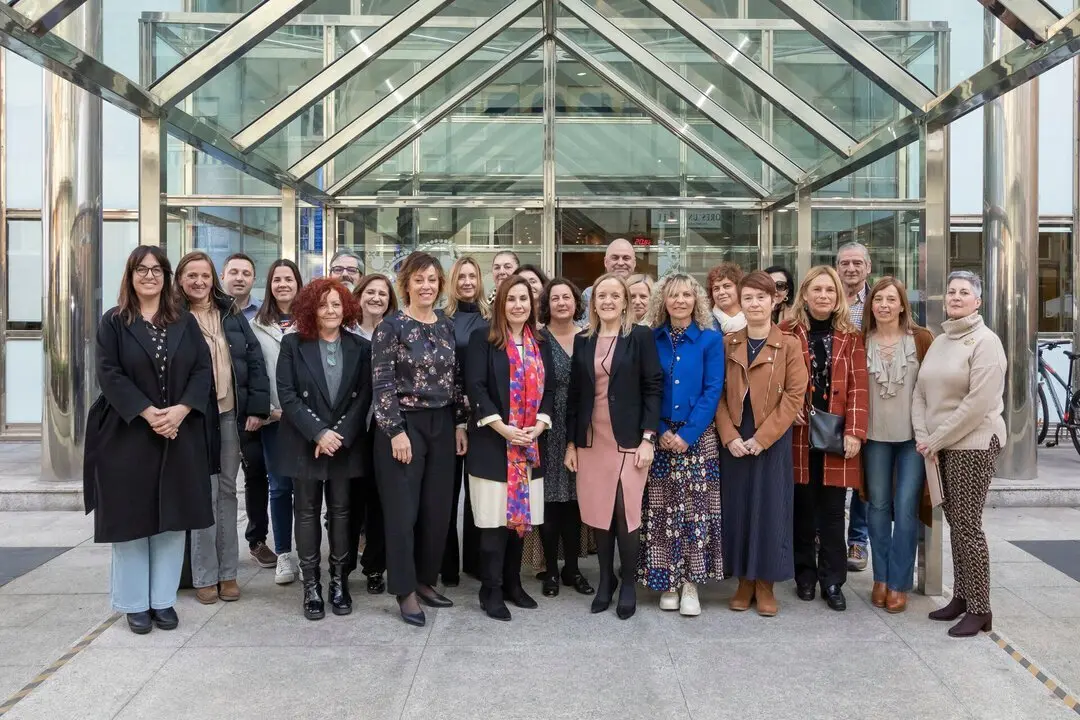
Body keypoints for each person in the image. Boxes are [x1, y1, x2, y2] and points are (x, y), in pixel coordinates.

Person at [84, 247, 213, 635]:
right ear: (130, 275)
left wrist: (180, 411)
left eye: (157, 270)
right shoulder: (114, 322)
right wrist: (147, 412)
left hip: (178, 433)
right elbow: (109, 375)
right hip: (127, 434)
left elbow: (202, 370)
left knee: (172, 521)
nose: (150, 276)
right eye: (142, 269)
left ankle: (163, 601)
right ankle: (134, 603)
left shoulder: (183, 322)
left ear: (166, 276)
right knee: (132, 521)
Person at [372, 252, 468, 627]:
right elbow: (381, 383)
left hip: (442, 423)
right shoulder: (390, 327)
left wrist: (460, 424)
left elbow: (456, 380)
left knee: (437, 510)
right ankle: (404, 589)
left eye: (432, 279)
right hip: (404, 426)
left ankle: (426, 579)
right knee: (403, 513)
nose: (426, 286)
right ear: (406, 284)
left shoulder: (445, 325)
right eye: (419, 279)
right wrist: (395, 430)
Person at [913, 271, 1006, 638]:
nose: (955, 296)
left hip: (973, 442)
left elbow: (977, 404)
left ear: (978, 301)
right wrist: (926, 437)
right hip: (940, 444)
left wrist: (934, 440)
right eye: (951, 291)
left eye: (964, 292)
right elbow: (920, 393)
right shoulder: (941, 340)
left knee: (968, 526)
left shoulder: (986, 342)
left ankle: (981, 610)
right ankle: (963, 598)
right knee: (955, 523)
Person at [566, 274, 663, 620]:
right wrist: (572, 444)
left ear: (626, 302)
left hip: (628, 441)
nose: (607, 301)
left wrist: (649, 437)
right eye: (601, 295)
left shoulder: (640, 337)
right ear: (594, 303)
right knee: (598, 514)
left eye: (615, 295)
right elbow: (575, 397)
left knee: (625, 513)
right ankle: (605, 581)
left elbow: (653, 387)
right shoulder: (583, 341)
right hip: (592, 442)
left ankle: (628, 584)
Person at [176, 251, 270, 605]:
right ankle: (204, 574)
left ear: (213, 278)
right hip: (193, 420)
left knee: (228, 492)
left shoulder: (229, 312)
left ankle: (229, 573)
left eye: (204, 275)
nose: (199, 282)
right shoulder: (174, 317)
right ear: (181, 281)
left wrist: (258, 407)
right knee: (204, 493)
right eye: (191, 276)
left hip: (230, 415)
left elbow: (254, 359)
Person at [276, 278, 372, 620]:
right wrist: (319, 433)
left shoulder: (361, 347)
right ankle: (312, 586)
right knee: (306, 512)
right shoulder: (292, 344)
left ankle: (339, 583)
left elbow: (364, 396)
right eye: (322, 304)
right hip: (306, 442)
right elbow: (286, 395)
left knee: (343, 513)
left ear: (345, 307)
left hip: (345, 445)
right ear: (310, 309)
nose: (330, 310)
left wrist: (339, 434)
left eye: (336, 304)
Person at [716, 271, 807, 617]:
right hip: (737, 436)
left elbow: (795, 395)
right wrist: (730, 437)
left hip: (772, 437)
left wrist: (764, 438)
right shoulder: (728, 343)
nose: (755, 304)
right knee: (737, 507)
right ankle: (743, 581)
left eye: (761, 298)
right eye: (749, 298)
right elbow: (718, 395)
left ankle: (766, 583)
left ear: (774, 301)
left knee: (770, 509)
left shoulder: (789, 344)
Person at [465, 276, 554, 621]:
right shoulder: (482, 339)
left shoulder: (540, 342)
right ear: (500, 303)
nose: (518, 305)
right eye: (511, 299)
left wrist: (540, 425)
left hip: (529, 446)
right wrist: (503, 428)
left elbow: (551, 389)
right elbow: (476, 387)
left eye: (524, 299)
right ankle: (491, 589)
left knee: (520, 522)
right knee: (492, 524)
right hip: (492, 444)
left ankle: (513, 583)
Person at [639, 273, 725, 617]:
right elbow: (646, 387)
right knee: (661, 512)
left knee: (694, 512)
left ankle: (690, 584)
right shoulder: (650, 338)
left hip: (697, 438)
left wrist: (686, 434)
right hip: (658, 438)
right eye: (673, 295)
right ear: (663, 300)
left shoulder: (709, 340)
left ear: (696, 300)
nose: (680, 301)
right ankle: (667, 583)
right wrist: (659, 429)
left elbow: (712, 390)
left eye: (687, 295)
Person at [784, 266, 868, 612]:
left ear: (837, 299)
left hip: (836, 434)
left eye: (829, 291)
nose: (823, 296)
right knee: (802, 507)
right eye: (816, 290)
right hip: (799, 434)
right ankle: (804, 575)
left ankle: (833, 580)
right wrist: (789, 409)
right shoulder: (787, 331)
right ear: (804, 294)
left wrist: (855, 432)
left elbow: (859, 388)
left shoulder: (851, 336)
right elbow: (776, 382)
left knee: (833, 511)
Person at [863, 277, 934, 614]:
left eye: (892, 299)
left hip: (912, 440)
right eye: (879, 299)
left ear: (903, 304)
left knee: (905, 509)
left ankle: (898, 582)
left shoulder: (921, 339)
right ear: (870, 304)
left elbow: (935, 390)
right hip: (873, 438)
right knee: (876, 507)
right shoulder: (860, 340)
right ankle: (880, 576)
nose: (885, 305)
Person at [536, 278, 593, 597]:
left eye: (567, 297)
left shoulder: (589, 337)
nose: (561, 302)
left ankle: (573, 568)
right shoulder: (537, 339)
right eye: (555, 297)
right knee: (549, 503)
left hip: (580, 426)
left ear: (576, 302)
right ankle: (551, 572)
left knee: (574, 502)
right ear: (547, 303)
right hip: (545, 426)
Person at [221, 253, 275, 571]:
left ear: (253, 280)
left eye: (246, 273)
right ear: (223, 274)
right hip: (215, 412)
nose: (239, 278)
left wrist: (257, 408)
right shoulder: (209, 310)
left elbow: (259, 366)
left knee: (256, 476)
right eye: (234, 272)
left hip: (248, 413)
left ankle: (256, 539)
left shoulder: (260, 314)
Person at [251, 259, 304, 585]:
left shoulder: (311, 320)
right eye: (277, 279)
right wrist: (268, 410)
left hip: (308, 422)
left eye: (289, 279)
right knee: (281, 487)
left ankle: (310, 551)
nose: (283, 284)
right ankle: (285, 553)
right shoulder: (256, 324)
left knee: (310, 490)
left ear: (298, 283)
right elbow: (254, 372)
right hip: (275, 421)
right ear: (270, 285)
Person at [442, 257, 489, 586]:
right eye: (462, 276)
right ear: (452, 282)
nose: (467, 282)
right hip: (447, 414)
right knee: (446, 492)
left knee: (478, 493)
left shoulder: (490, 318)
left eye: (473, 276)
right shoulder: (441, 319)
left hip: (483, 417)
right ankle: (447, 565)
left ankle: (475, 561)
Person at [349, 273, 397, 595]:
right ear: (359, 295)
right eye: (370, 292)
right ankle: (342, 565)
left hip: (382, 430)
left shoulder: (394, 331)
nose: (376, 298)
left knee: (379, 502)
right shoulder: (344, 331)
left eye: (383, 293)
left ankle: (375, 567)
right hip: (351, 430)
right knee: (350, 502)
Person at [835, 242, 872, 571]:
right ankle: (826, 536)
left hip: (866, 394)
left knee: (862, 476)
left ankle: (858, 541)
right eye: (845, 263)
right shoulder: (828, 299)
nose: (851, 268)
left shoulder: (878, 301)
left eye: (857, 263)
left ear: (868, 268)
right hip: (831, 399)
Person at [581, 238, 637, 311]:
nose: (620, 263)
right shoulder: (589, 294)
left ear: (634, 263)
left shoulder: (645, 294)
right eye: (615, 258)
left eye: (626, 258)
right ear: (605, 262)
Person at [708, 262, 747, 334]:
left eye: (727, 286)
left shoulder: (754, 317)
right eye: (716, 289)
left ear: (739, 288)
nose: (721, 292)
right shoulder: (705, 323)